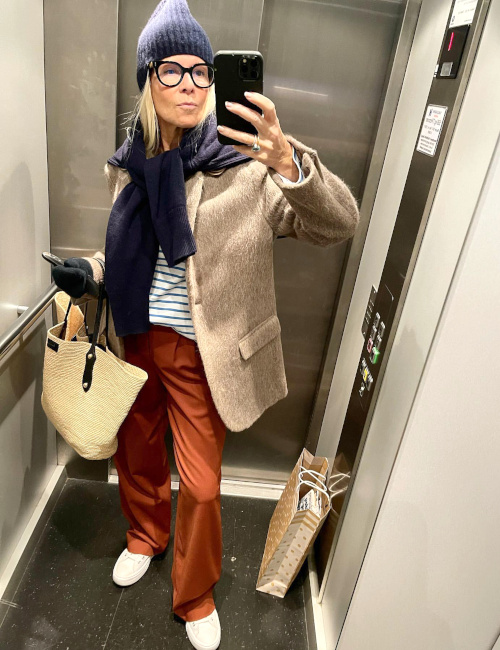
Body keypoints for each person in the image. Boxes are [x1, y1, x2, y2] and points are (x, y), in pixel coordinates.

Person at [52, 1, 360, 648]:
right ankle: (145, 535)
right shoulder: (126, 165)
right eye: (172, 69)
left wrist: (289, 163)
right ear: (148, 79)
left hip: (205, 351)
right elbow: (130, 257)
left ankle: (193, 594)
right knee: (138, 452)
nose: (189, 84)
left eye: (200, 70)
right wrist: (91, 271)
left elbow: (338, 223)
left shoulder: (245, 166)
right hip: (136, 338)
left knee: (200, 483)